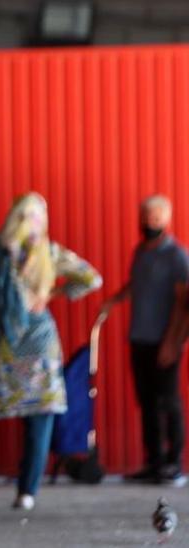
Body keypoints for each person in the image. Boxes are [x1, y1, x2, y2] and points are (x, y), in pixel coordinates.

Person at [0, 192, 101, 511]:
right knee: (39, 416)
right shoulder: (49, 251)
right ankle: (27, 493)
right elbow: (92, 278)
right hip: (39, 341)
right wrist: (52, 293)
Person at [102, 194, 189, 486]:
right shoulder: (141, 251)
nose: (148, 223)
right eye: (145, 217)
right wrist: (114, 300)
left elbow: (183, 303)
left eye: (154, 218)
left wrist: (172, 343)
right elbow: (137, 284)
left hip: (164, 341)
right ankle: (154, 463)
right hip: (140, 337)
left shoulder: (177, 256)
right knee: (148, 403)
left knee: (168, 402)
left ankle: (173, 464)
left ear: (165, 219)